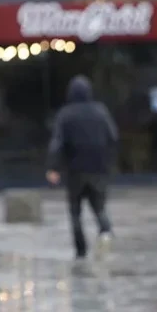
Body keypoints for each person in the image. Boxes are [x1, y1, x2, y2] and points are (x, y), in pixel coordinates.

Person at [46, 75, 118, 259]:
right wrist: (108, 160)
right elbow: (113, 137)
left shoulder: (66, 114)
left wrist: (54, 167)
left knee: (75, 212)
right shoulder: (100, 111)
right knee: (99, 206)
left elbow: (58, 143)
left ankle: (81, 250)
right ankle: (106, 231)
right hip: (98, 168)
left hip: (75, 170)